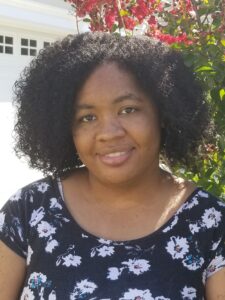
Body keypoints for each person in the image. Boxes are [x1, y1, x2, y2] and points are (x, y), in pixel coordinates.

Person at [0, 32, 225, 300]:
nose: (108, 133)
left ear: (163, 113)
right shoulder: (29, 210)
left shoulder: (212, 224)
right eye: (87, 117)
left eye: (128, 109)